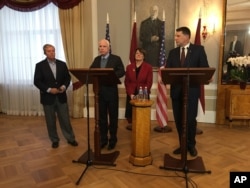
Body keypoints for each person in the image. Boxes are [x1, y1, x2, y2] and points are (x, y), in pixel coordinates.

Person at [166, 27, 210, 157]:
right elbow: (168, 70)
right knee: (179, 121)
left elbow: (204, 68)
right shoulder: (172, 52)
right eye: (176, 36)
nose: (175, 38)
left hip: (191, 92)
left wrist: (206, 75)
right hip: (176, 92)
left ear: (186, 37)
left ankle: (191, 145)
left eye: (178, 36)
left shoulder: (198, 50)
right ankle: (182, 145)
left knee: (190, 120)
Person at [34, 44, 78, 149]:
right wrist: (49, 90)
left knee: (65, 119)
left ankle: (70, 138)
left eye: (53, 50)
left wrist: (63, 87)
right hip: (47, 98)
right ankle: (54, 140)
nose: (52, 52)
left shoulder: (62, 64)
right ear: (45, 53)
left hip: (61, 96)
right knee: (50, 120)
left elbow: (67, 78)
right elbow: (37, 81)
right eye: (49, 51)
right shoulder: (39, 65)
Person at [90, 39, 125, 150]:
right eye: (100, 46)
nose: (101, 48)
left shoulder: (116, 58)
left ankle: (113, 139)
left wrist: (111, 75)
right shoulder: (96, 60)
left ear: (109, 48)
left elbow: (121, 71)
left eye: (104, 46)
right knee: (102, 118)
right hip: (99, 93)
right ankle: (103, 139)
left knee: (113, 117)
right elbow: (91, 71)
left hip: (111, 93)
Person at [124, 48, 153, 129]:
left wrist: (141, 94)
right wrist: (130, 94)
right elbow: (127, 82)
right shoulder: (129, 67)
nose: (138, 55)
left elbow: (149, 82)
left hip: (143, 94)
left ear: (144, 56)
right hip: (131, 93)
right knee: (131, 114)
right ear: (134, 55)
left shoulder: (148, 67)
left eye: (141, 53)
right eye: (137, 53)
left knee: (142, 114)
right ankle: (134, 128)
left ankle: (142, 129)